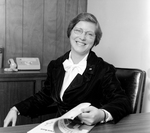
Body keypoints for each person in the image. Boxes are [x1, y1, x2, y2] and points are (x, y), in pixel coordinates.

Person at [3, 12, 132, 127]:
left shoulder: (104, 69)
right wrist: (16, 109)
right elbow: (45, 96)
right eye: (78, 31)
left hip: (91, 131)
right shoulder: (56, 65)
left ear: (95, 41)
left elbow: (123, 101)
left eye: (89, 34)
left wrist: (102, 114)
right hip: (60, 127)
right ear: (70, 32)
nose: (82, 37)